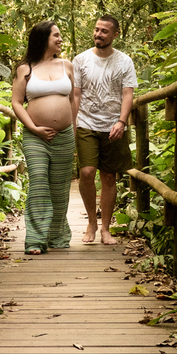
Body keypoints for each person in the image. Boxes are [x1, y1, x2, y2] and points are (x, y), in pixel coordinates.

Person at [10, 20, 78, 255]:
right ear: (43, 39)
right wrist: (34, 127)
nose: (60, 39)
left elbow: (72, 102)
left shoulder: (67, 66)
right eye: (56, 36)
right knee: (39, 182)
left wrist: (74, 132)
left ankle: (57, 236)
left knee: (59, 189)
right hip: (35, 135)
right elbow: (16, 103)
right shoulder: (25, 68)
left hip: (64, 136)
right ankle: (35, 240)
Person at [72, 15, 137, 245]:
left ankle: (105, 229)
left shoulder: (125, 61)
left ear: (115, 34)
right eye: (97, 30)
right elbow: (76, 94)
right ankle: (91, 222)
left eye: (104, 31)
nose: (98, 34)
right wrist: (73, 123)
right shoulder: (80, 60)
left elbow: (128, 93)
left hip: (113, 125)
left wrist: (121, 121)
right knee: (87, 172)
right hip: (86, 123)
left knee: (109, 176)